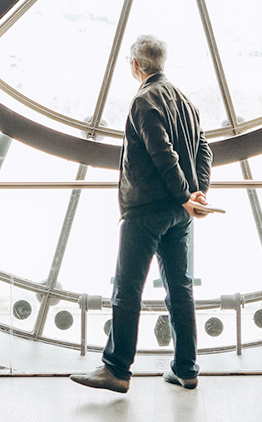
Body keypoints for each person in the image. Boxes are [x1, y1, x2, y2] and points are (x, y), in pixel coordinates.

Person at [70, 34, 213, 394]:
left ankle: (117, 369)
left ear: (135, 65)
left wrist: (184, 194)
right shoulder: (185, 101)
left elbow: (161, 153)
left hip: (146, 209)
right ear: (162, 63)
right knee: (180, 289)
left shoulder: (144, 100)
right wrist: (197, 194)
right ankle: (186, 367)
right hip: (179, 215)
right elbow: (204, 149)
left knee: (127, 289)